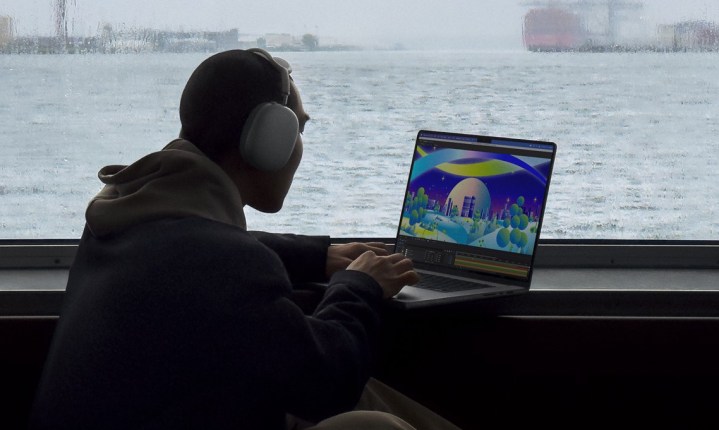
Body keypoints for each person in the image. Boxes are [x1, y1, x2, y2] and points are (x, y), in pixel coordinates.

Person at [30, 49, 460, 430]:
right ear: (267, 141)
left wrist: (319, 257)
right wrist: (360, 286)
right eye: (297, 131)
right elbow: (328, 381)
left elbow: (200, 248)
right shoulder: (222, 262)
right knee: (376, 425)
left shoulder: (124, 215)